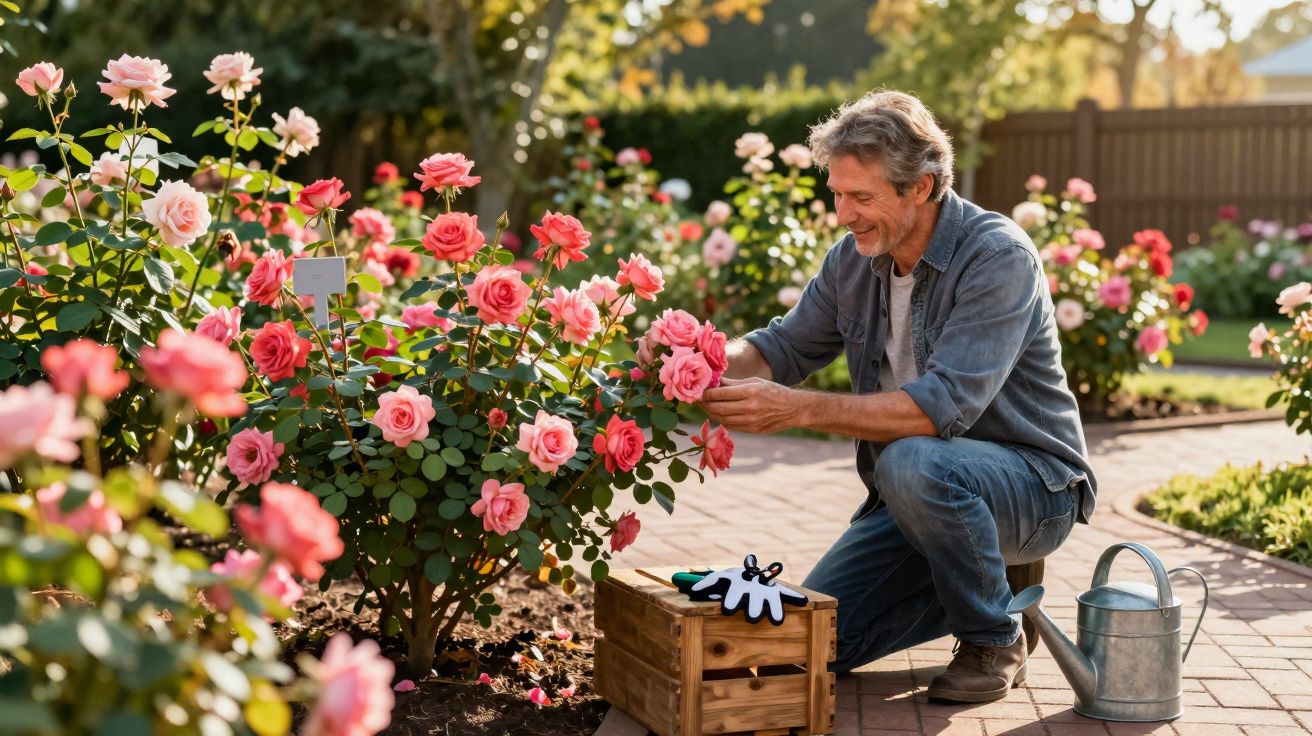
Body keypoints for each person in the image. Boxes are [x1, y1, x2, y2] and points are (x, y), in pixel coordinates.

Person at [636, 90, 1095, 704]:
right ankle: (985, 581)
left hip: (1034, 490)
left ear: (922, 187)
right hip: (919, 496)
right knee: (817, 643)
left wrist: (798, 409)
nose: (844, 213)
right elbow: (783, 348)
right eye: (837, 194)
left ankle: (993, 636)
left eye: (862, 197)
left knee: (908, 455)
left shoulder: (997, 257)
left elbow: (938, 408)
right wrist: (700, 355)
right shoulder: (853, 260)